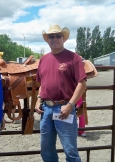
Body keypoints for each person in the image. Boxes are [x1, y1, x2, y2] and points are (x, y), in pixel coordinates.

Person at [35, 24, 87, 162]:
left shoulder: (73, 58)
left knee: (70, 149)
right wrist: (38, 99)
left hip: (64, 108)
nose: (54, 39)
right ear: (47, 40)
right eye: (51, 36)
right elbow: (42, 83)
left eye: (58, 36)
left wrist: (70, 105)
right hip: (46, 109)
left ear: (63, 39)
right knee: (46, 149)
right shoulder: (43, 59)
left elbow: (82, 83)